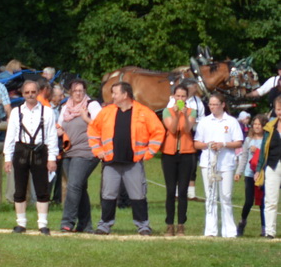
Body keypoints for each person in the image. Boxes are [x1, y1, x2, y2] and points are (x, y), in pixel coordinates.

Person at [88, 81, 164, 235]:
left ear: (125, 94)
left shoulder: (144, 112)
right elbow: (93, 131)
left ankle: (143, 226)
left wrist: (149, 152)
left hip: (133, 162)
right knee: (108, 195)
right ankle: (104, 225)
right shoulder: (106, 112)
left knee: (138, 195)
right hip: (110, 161)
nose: (113, 96)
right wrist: (98, 150)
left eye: (115, 93)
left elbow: (158, 131)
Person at [3, 77, 59, 234]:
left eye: (33, 92)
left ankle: (43, 224)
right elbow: (10, 135)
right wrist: (8, 157)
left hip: (41, 151)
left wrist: (52, 158)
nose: (30, 95)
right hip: (21, 150)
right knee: (19, 188)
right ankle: (21, 223)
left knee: (42, 188)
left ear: (38, 92)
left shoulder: (47, 112)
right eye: (27, 92)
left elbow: (51, 136)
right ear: (23, 93)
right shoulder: (16, 112)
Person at [55, 79, 101, 233]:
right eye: (75, 91)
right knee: (79, 187)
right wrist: (59, 131)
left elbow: (102, 125)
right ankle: (85, 225)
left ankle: (67, 222)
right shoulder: (65, 107)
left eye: (81, 90)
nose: (78, 93)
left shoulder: (91, 105)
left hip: (87, 152)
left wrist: (86, 118)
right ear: (70, 92)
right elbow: (59, 124)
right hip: (69, 152)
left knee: (73, 185)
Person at [194, 93, 242, 238]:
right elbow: (197, 143)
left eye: (215, 104)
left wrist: (224, 144)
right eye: (210, 104)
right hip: (208, 162)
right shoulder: (204, 121)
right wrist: (208, 145)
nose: (212, 107)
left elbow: (239, 142)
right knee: (211, 196)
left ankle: (229, 231)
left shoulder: (232, 121)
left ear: (222, 105)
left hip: (226, 163)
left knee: (226, 196)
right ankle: (211, 230)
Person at [158, 84, 197, 236]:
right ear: (173, 97)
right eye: (178, 96)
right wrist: (175, 114)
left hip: (186, 154)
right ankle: (169, 224)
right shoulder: (166, 112)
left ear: (186, 98)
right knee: (170, 190)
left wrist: (185, 115)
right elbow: (172, 129)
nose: (180, 99)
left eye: (183, 96)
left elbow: (187, 129)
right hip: (169, 154)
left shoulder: (192, 111)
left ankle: (181, 224)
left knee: (182, 191)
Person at [238, 113, 266, 236]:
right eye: (255, 124)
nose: (257, 127)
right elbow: (244, 157)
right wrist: (239, 172)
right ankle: (242, 222)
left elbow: (268, 156)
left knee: (263, 202)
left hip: (263, 175)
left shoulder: (267, 140)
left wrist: (258, 151)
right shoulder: (248, 140)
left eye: (259, 124)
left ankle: (264, 228)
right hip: (250, 174)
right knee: (249, 201)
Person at [259, 96, 281, 239]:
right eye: (279, 109)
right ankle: (270, 232)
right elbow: (263, 149)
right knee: (270, 200)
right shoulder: (270, 126)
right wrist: (259, 169)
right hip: (273, 165)